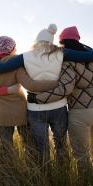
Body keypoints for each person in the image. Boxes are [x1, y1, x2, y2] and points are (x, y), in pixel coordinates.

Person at [0, 24, 93, 166]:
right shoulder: (62, 52)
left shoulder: (25, 56)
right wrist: (80, 44)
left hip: (35, 108)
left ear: (36, 40)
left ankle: (46, 176)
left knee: (41, 148)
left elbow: (0, 68)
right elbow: (90, 55)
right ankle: (62, 173)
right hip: (59, 106)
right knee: (61, 145)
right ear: (52, 41)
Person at [28, 26, 93, 176]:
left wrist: (38, 98)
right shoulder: (90, 55)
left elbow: (65, 88)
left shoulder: (67, 61)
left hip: (80, 113)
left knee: (82, 157)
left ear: (62, 42)